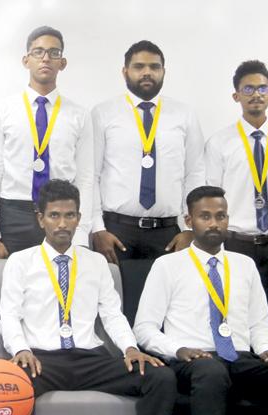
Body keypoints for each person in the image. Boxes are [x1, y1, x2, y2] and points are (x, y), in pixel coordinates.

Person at [0, 179, 176, 415]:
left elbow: (113, 315)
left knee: (160, 377)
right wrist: (21, 349)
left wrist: (130, 348)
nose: (62, 223)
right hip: (43, 361)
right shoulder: (20, 262)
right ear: (40, 219)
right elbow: (9, 316)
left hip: (90, 360)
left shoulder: (95, 262)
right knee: (9, 384)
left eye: (69, 215)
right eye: (54, 215)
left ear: (79, 218)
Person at [134, 185, 268, 415]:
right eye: (205, 216)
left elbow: (259, 322)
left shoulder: (244, 265)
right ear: (189, 221)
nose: (214, 223)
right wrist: (178, 349)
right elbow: (144, 328)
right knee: (211, 371)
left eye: (221, 216)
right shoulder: (167, 266)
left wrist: (266, 348)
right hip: (194, 360)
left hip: (241, 357)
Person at [204, 60, 268, 332]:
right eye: (248, 89)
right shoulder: (220, 142)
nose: (256, 94)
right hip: (236, 244)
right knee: (235, 322)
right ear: (236, 96)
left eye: (262, 88)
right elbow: (211, 201)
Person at [0, 25, 93, 257]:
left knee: (60, 286)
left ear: (62, 63)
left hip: (61, 214)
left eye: (54, 53)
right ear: (26, 60)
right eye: (38, 52)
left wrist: (82, 234)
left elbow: (85, 176)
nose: (46, 58)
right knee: (13, 286)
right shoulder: (2, 111)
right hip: (13, 213)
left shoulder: (78, 114)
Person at [92, 40, 204, 263]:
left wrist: (190, 229)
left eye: (154, 67)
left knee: (169, 298)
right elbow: (91, 175)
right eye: (138, 66)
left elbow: (195, 173)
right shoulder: (103, 113)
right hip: (116, 231)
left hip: (169, 233)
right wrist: (97, 229)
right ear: (125, 72)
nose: (147, 72)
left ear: (163, 72)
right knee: (116, 298)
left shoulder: (184, 114)